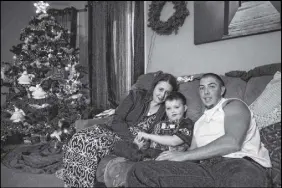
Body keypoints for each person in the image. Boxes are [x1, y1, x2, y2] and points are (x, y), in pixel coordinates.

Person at [126, 73, 272, 187]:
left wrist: (183, 156)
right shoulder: (199, 122)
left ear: (222, 90)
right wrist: (169, 157)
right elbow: (192, 153)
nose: (206, 92)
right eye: (202, 87)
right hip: (204, 170)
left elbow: (232, 142)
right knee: (139, 171)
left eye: (211, 86)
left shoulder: (233, 105)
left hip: (239, 164)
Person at [61, 73, 178, 187]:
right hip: (116, 131)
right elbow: (117, 119)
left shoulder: (166, 109)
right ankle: (71, 183)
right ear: (154, 86)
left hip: (129, 142)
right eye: (160, 89)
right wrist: (132, 140)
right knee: (79, 137)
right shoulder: (136, 96)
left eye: (167, 93)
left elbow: (165, 131)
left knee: (91, 144)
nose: (162, 95)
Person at [112, 91, 194, 161]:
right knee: (119, 145)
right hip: (150, 152)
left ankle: (135, 157)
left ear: (185, 108)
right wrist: (141, 144)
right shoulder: (160, 124)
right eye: (169, 108)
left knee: (131, 152)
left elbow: (174, 141)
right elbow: (151, 143)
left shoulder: (186, 123)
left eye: (176, 107)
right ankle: (134, 155)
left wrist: (148, 136)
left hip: (167, 155)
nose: (172, 111)